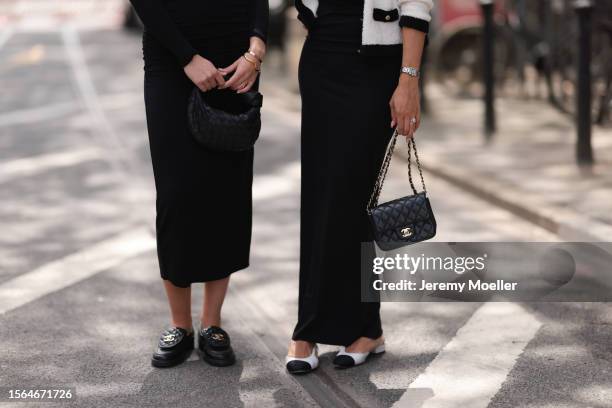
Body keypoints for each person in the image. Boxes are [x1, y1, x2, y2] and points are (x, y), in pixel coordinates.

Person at [286, 0, 433, 374]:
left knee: (354, 198)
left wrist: (409, 79)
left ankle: (365, 328)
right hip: (322, 61)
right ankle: (311, 329)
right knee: (319, 194)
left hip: (375, 70)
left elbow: (416, 4)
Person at [129, 0, 269, 368]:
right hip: (171, 58)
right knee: (176, 192)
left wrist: (256, 49)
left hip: (235, 61)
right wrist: (187, 56)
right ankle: (180, 325)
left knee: (226, 190)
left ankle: (212, 324)